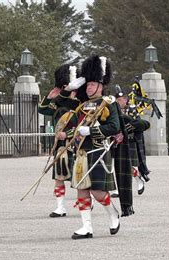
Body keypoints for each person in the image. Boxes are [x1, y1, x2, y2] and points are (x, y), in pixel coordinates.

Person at [59, 55, 122, 239]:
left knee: (98, 192)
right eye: (87, 85)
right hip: (81, 153)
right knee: (82, 190)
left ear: (101, 86)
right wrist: (70, 88)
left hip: (98, 152)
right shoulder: (83, 105)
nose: (88, 88)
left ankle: (113, 214)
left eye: (92, 85)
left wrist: (92, 131)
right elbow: (62, 106)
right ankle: (86, 226)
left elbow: (114, 127)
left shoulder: (108, 103)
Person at [38, 64, 83, 218]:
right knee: (59, 176)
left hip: (77, 144)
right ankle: (60, 207)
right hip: (61, 145)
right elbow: (42, 110)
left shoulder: (79, 103)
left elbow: (84, 124)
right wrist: (50, 96)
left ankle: (85, 203)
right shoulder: (58, 102)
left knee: (80, 177)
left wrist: (68, 133)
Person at [114, 86, 151, 195]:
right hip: (117, 141)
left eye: (120, 100)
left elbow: (137, 124)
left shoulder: (131, 108)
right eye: (117, 100)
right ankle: (118, 188)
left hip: (130, 140)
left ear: (125, 99)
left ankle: (138, 178)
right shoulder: (114, 110)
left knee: (127, 165)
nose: (118, 102)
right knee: (117, 166)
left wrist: (126, 129)